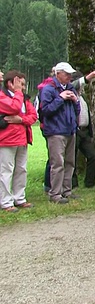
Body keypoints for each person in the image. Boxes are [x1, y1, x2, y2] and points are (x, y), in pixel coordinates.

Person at [39, 62, 81, 204]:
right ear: (58, 74)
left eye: (70, 74)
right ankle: (55, 193)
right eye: (66, 74)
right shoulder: (48, 89)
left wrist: (75, 101)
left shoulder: (70, 88)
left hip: (70, 129)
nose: (69, 77)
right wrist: (60, 98)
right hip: (55, 131)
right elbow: (46, 111)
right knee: (57, 163)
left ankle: (66, 190)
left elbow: (77, 111)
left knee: (70, 162)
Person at [0, 70, 38, 212]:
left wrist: (20, 120)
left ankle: (19, 198)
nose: (22, 87)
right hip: (6, 140)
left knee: (21, 169)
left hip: (22, 138)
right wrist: (17, 93)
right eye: (20, 84)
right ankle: (5, 202)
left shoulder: (23, 98)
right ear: (10, 83)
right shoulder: (2, 96)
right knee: (6, 171)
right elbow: (14, 107)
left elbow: (33, 116)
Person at [71, 69, 95, 189]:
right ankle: (73, 184)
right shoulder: (70, 93)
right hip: (75, 130)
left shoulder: (82, 97)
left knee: (92, 156)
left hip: (84, 131)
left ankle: (90, 183)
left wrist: (89, 132)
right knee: (72, 158)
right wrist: (88, 77)